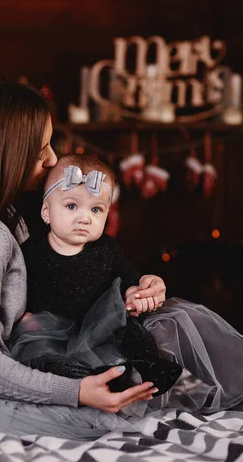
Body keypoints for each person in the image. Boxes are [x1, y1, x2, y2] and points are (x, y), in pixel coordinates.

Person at [0, 76, 165, 439]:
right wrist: (75, 392)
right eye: (41, 148)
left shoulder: (6, 218)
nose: (53, 159)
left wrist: (130, 292)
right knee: (112, 420)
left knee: (165, 326)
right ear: (4, 153)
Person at [10, 154, 183, 397]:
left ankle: (149, 367)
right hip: (52, 334)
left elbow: (129, 278)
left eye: (96, 209)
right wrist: (25, 317)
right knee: (43, 358)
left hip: (101, 328)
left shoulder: (107, 248)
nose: (85, 218)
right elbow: (18, 291)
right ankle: (83, 379)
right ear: (46, 212)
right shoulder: (31, 251)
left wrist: (135, 292)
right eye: (71, 206)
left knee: (133, 332)